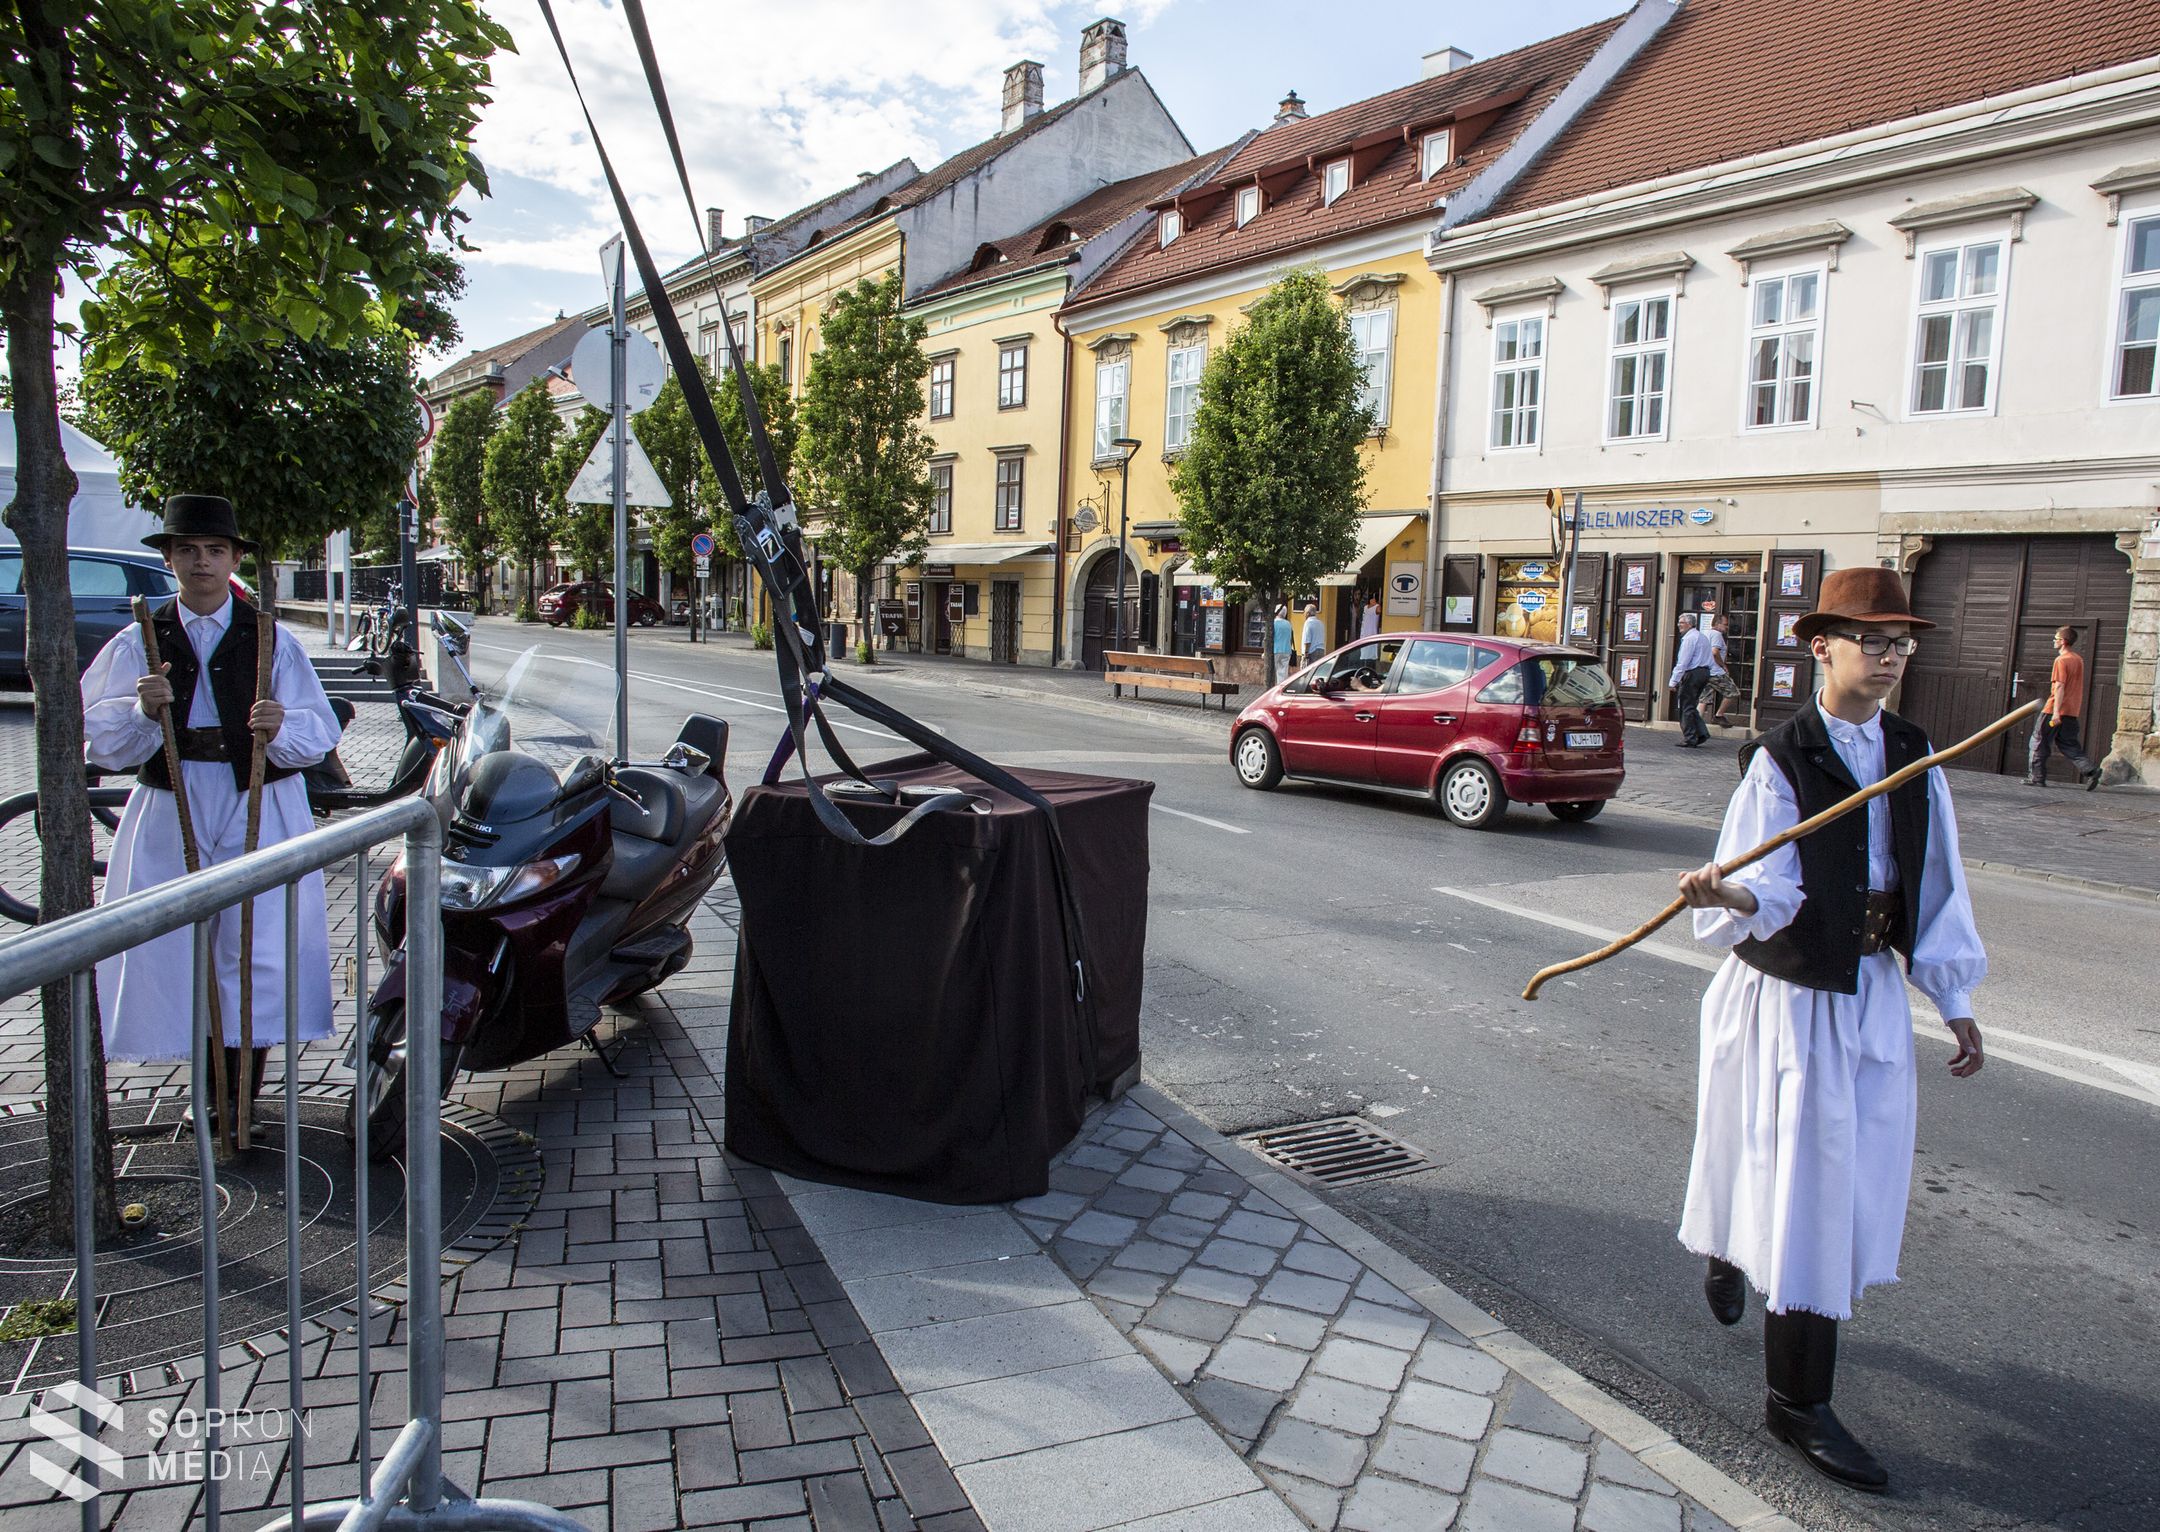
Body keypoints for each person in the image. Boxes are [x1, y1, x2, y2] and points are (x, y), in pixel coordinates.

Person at [1674, 566, 1986, 1494]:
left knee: (1834, 1179)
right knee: (1803, 1184)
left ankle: (1733, 1245)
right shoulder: (1784, 755)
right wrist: (1724, 890)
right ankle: (1795, 1401)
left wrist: (1954, 997)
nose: (1890, 656)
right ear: (1824, 647)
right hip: (1794, 995)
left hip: (1869, 996)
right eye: (1872, 640)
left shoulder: (1913, 751)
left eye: (1901, 643)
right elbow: (1763, 879)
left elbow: (1935, 884)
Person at [82, 495, 342, 1138]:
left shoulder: (270, 637)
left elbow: (320, 728)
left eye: (216, 551)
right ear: (169, 559)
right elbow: (101, 739)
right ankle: (207, 1095)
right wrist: (143, 712)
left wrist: (281, 725)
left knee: (257, 953)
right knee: (180, 949)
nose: (203, 563)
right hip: (174, 804)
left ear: (232, 560)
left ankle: (241, 1105)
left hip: (260, 799)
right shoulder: (140, 638)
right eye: (190, 551)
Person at [2025, 625, 2101, 790]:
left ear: (2064, 641)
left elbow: (2059, 687)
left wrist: (2056, 713)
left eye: (2056, 638)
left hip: (2054, 710)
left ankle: (2037, 778)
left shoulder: (2061, 660)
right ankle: (2091, 770)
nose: (2054, 641)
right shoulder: (2078, 659)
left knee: (2038, 742)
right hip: (2072, 711)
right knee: (2069, 744)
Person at [1669, 612, 1715, 747]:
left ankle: (1690, 737)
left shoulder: (1689, 639)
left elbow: (1683, 662)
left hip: (1693, 673)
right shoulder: (1702, 637)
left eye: (1681, 623)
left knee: (1686, 706)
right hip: (1704, 672)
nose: (1679, 625)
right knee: (1691, 705)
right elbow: (1709, 659)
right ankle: (1701, 733)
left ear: (1689, 624)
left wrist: (1673, 681)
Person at [1703, 613, 1741, 725]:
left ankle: (1696, 724)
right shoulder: (1717, 634)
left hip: (1705, 671)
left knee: (1703, 699)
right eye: (1725, 624)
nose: (1727, 627)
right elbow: (1715, 652)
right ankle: (1719, 715)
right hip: (1716, 672)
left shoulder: (1705, 633)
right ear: (1717, 624)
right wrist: (1722, 665)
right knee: (1733, 692)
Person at [1272, 604, 1295, 678]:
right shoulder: (1288, 624)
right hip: (1286, 650)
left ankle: (1273, 688)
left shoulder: (1273, 623)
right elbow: (1290, 638)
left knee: (1272, 672)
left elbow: (1270, 638)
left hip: (1275, 650)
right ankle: (1281, 687)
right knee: (1283, 673)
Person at [1300, 601, 1325, 666]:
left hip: (1312, 652)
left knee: (1308, 673)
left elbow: (1307, 640)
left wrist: (1305, 653)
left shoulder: (1308, 623)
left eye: (1304, 612)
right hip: (1321, 650)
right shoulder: (1320, 623)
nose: (1304, 614)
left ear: (1308, 613)